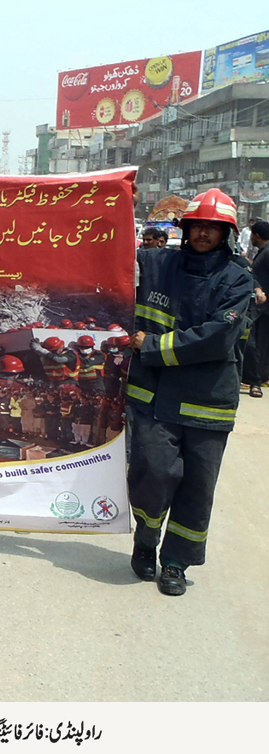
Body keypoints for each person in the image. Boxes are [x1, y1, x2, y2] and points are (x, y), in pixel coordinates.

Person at [127, 188, 253, 596]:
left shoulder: (238, 280)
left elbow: (217, 338)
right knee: (153, 475)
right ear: (184, 227)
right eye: (197, 225)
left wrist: (151, 346)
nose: (202, 234)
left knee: (197, 489)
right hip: (153, 398)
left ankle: (176, 562)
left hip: (207, 402)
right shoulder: (155, 262)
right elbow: (107, 254)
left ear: (226, 233)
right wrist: (112, 203)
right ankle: (146, 541)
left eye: (212, 228)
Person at [242, 221, 269, 396]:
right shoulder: (264, 253)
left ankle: (255, 380)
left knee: (254, 344)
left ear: (256, 236)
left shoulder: (267, 253)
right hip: (262, 307)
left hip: (262, 307)